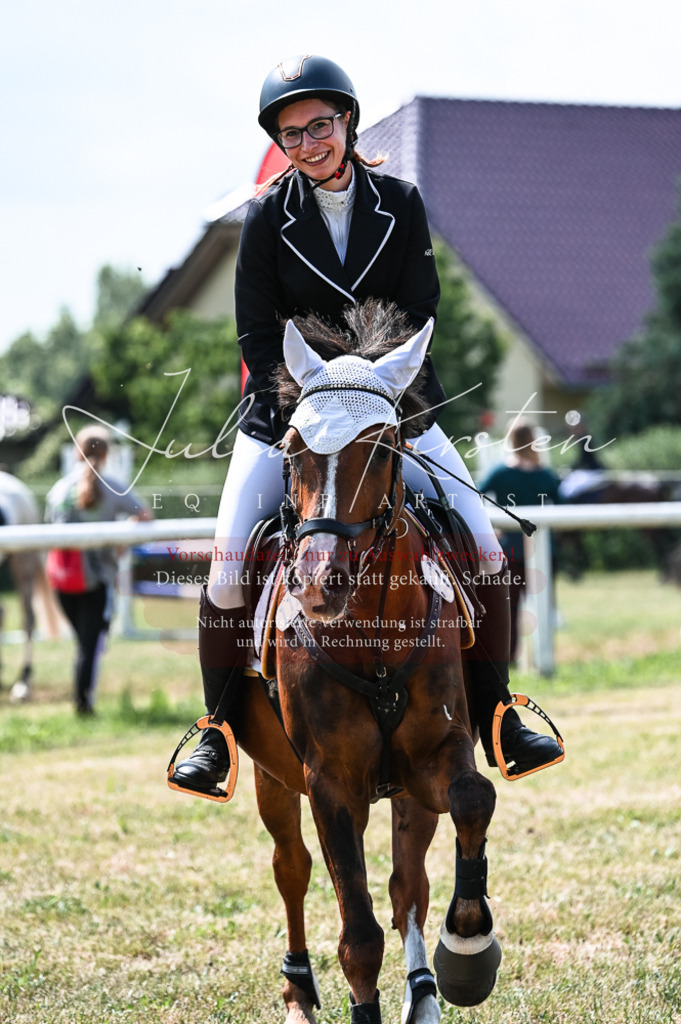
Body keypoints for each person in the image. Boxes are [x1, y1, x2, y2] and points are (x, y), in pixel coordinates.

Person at [173, 54, 562, 790]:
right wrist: (319, 405)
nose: (308, 144)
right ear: (280, 145)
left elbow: (419, 310)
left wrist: (370, 395)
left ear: (346, 121)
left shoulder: (400, 201)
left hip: (396, 410)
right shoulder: (264, 218)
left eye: (319, 125)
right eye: (291, 135)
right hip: (293, 419)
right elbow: (256, 336)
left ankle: (499, 713)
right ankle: (215, 730)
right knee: (227, 568)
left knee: (483, 549)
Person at [45, 426, 151, 714]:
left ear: (77, 452)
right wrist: (120, 540)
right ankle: (82, 704)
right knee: (90, 644)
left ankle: (82, 699)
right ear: (106, 454)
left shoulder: (58, 490)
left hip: (60, 578)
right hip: (96, 578)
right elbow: (144, 515)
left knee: (84, 643)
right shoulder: (113, 486)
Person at [478, 422, 562, 663]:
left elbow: (475, 495)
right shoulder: (546, 475)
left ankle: (510, 657)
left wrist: (492, 527)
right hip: (542, 551)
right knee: (544, 607)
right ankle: (545, 658)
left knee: (509, 610)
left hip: (510, 552)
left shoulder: (501, 473)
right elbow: (562, 505)